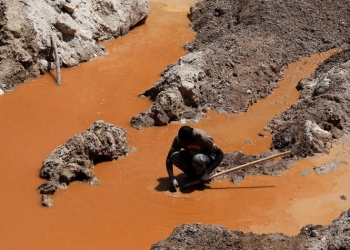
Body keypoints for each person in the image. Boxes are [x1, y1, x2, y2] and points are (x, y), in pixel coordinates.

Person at [166, 125, 224, 191]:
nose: (182, 144)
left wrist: (207, 173)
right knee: (174, 157)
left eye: (185, 143)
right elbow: (168, 159)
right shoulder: (178, 139)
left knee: (197, 159)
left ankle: (202, 175)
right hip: (191, 155)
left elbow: (220, 154)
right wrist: (172, 178)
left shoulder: (203, 138)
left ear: (191, 138)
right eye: (181, 142)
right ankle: (193, 176)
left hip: (207, 158)